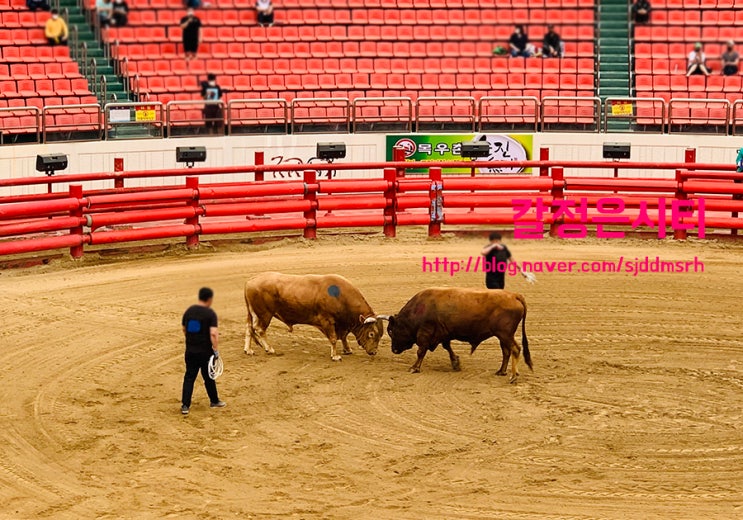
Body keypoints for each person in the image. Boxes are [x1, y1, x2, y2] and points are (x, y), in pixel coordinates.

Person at [181, 287, 225, 415]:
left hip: (190, 351)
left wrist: (191, 341)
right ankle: (214, 400)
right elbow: (213, 334)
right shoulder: (210, 314)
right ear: (210, 299)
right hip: (205, 352)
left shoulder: (189, 311)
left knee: (189, 377)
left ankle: (185, 405)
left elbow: (184, 329)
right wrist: (215, 350)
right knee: (209, 377)